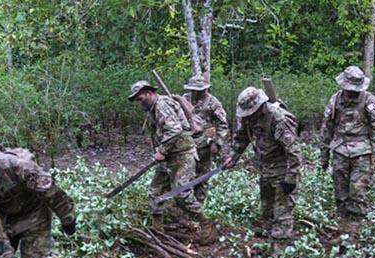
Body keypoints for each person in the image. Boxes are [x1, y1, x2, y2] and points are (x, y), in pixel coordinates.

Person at [128, 80, 217, 244]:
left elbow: (174, 129)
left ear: (149, 93)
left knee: (181, 192)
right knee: (155, 191)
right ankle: (158, 229)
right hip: (169, 156)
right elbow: (159, 134)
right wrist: (159, 152)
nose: (139, 103)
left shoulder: (162, 105)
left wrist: (162, 152)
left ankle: (206, 224)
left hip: (182, 154)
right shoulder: (152, 110)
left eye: (140, 99)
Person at [223, 87, 301, 244]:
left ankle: (278, 254)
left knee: (282, 213)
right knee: (267, 211)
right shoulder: (249, 118)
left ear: (260, 107)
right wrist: (234, 156)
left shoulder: (279, 119)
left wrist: (290, 179)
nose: (249, 116)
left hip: (283, 171)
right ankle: (267, 244)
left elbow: (294, 152)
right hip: (265, 169)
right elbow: (242, 137)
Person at [321, 66, 375, 234]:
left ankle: (353, 232)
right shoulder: (335, 100)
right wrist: (324, 155)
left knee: (357, 192)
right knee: (340, 193)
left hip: (363, 153)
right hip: (340, 151)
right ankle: (342, 227)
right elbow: (327, 127)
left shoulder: (368, 100)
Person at [182, 75, 230, 202]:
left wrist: (217, 142)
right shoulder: (184, 99)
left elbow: (222, 124)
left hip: (204, 145)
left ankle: (200, 202)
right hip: (186, 144)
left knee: (202, 176)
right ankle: (187, 204)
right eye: (194, 90)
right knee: (185, 176)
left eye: (199, 90)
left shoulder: (213, 102)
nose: (196, 93)